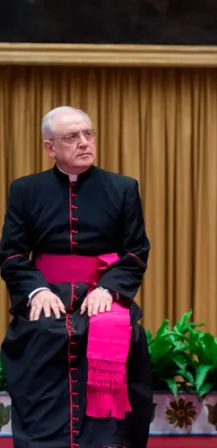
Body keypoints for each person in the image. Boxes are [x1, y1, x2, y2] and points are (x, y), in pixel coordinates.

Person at [0, 106, 154, 447]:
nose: (85, 142)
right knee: (42, 332)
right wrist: (36, 290)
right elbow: (11, 254)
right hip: (47, 294)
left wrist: (111, 290)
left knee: (118, 331)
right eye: (72, 137)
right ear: (50, 147)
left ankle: (109, 441)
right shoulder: (25, 190)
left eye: (88, 133)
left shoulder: (122, 188)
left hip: (101, 292)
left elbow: (135, 251)